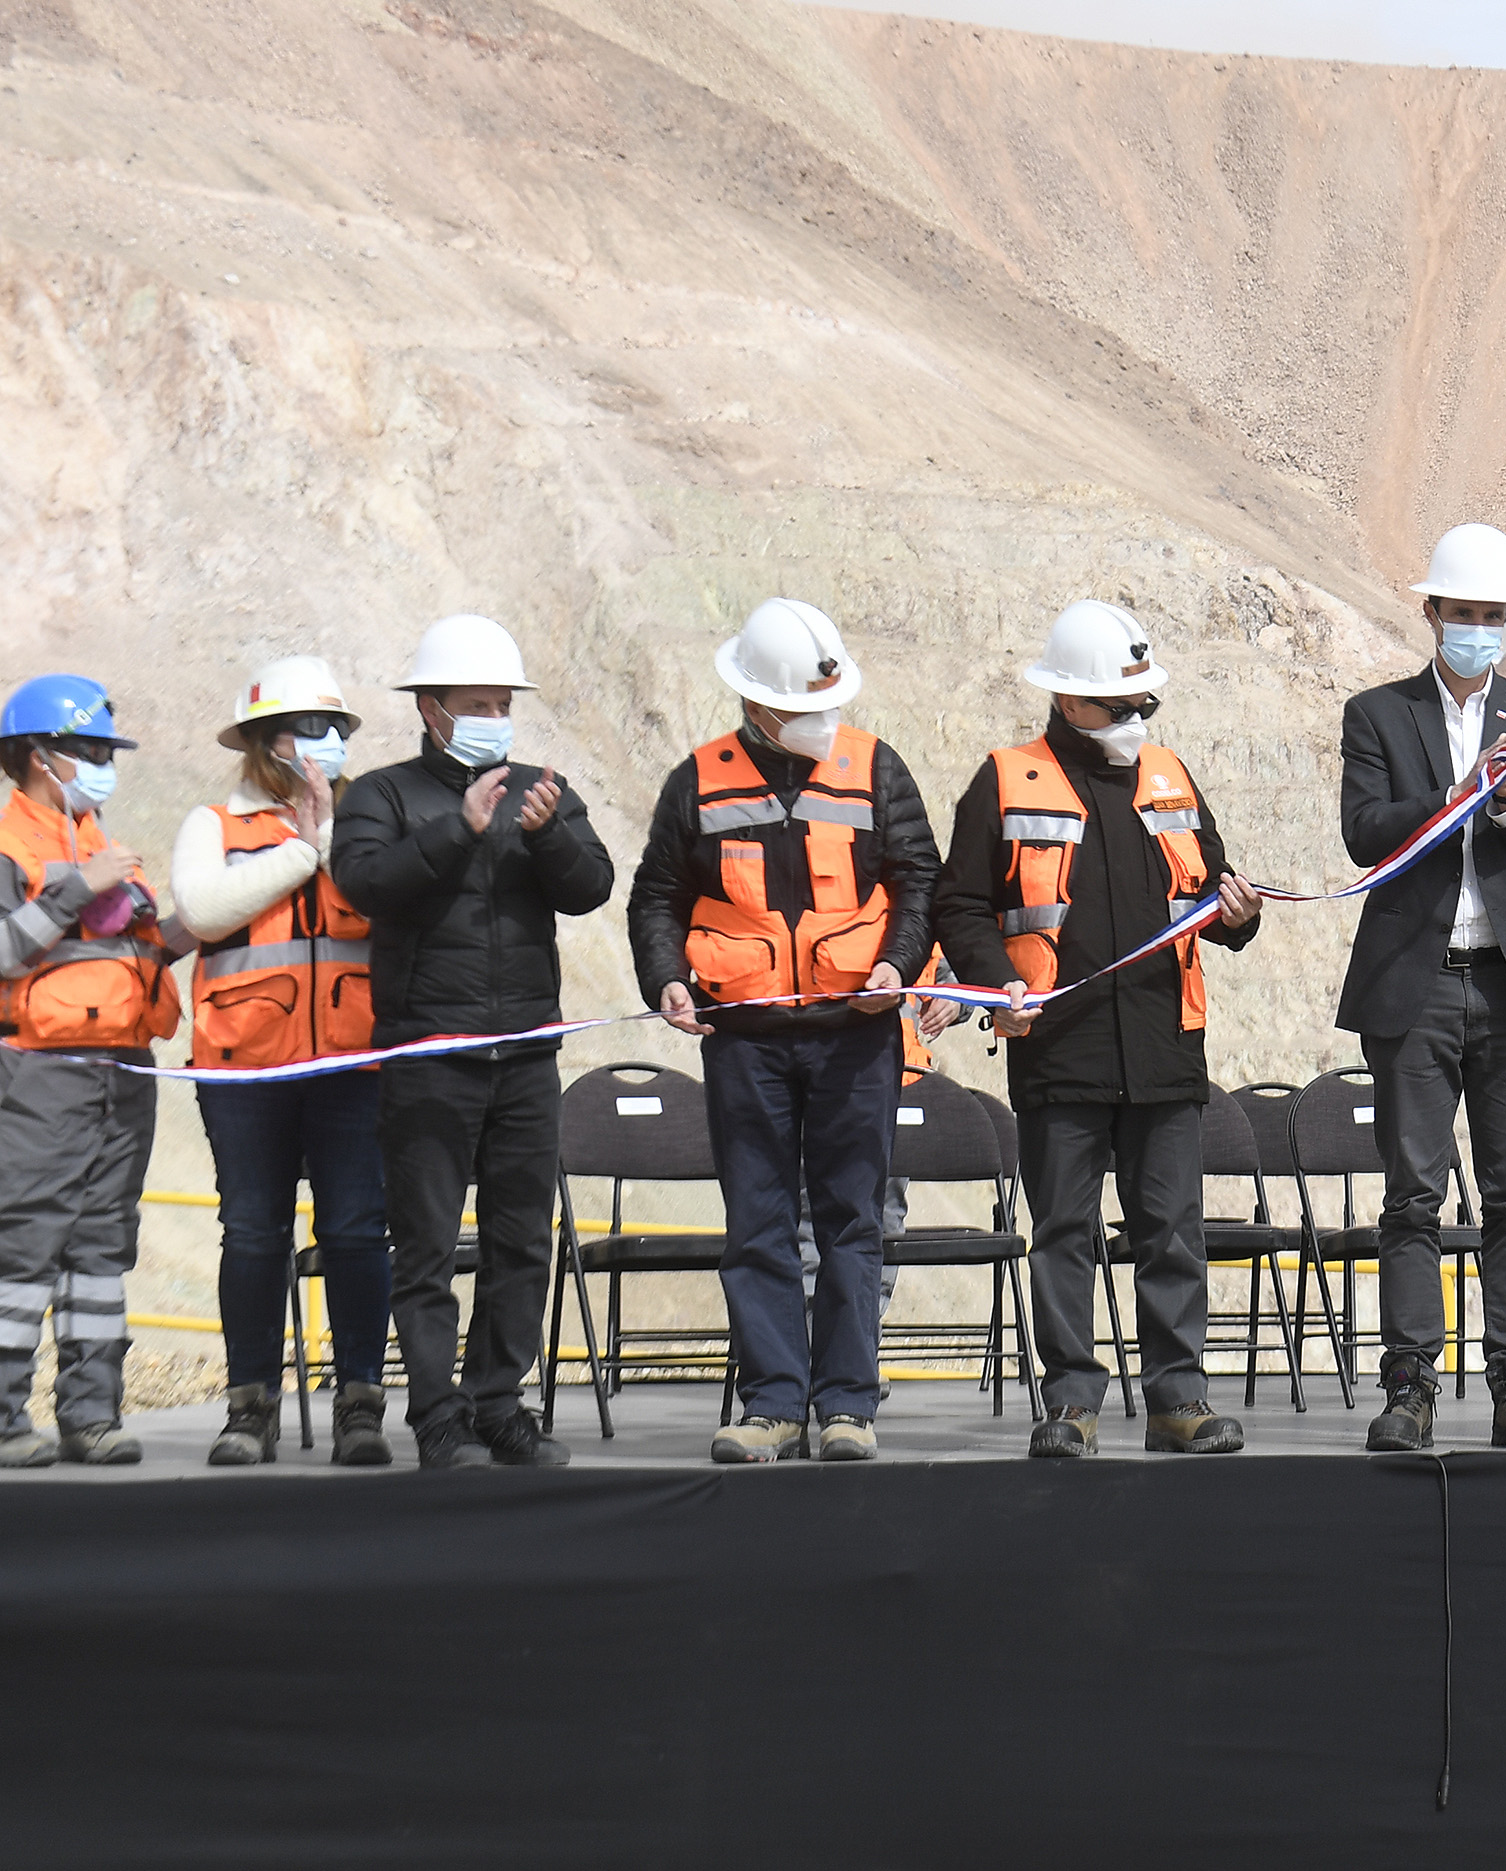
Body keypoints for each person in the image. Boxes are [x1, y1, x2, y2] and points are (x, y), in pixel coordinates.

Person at [935, 599, 1265, 1458]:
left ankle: (1177, 1400)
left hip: (1163, 1049)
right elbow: (960, 903)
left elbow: (1215, 896)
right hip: (1060, 1052)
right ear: (1069, 701)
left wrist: (1237, 914)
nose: (1136, 719)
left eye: (1143, 705)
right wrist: (996, 978)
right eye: (1119, 706)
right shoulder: (1005, 779)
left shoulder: (1171, 777)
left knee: (1170, 1232)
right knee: (1063, 1234)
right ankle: (1072, 1403)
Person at [631, 599, 942, 1464]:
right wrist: (663, 977)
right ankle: (771, 1403)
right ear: (756, 707)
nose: (822, 725)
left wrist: (899, 964)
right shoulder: (697, 778)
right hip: (747, 1038)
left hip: (856, 1028)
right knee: (758, 1220)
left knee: (853, 1220)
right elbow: (656, 893)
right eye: (804, 712)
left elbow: (919, 878)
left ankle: (847, 1404)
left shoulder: (877, 767)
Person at [330, 614, 616, 1470]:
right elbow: (365, 883)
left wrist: (548, 832)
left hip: (526, 1055)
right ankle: (437, 1417)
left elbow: (592, 886)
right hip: (428, 1055)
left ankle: (501, 1404)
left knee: (520, 1239)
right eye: (476, 702)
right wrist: (458, 826)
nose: (494, 714)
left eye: (503, 701)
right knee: (425, 1246)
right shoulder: (382, 795)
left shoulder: (540, 789)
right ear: (431, 707)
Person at [1331, 526, 1506, 1454]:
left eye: (1490, 616)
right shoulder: (1378, 715)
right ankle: (1410, 1386)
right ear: (1430, 613)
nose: (1474, 629)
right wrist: (1458, 792)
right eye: (1460, 613)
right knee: (1412, 1195)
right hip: (1415, 985)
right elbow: (1366, 833)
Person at [174, 657, 393, 1468]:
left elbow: (386, 902)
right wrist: (300, 853)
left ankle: (361, 1406)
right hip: (244, 1067)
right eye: (313, 729)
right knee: (253, 1232)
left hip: (352, 1062)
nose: (329, 743)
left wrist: (329, 831)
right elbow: (201, 908)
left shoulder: (365, 819)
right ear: (267, 741)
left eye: (337, 730)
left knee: (354, 1230)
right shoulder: (214, 824)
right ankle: (251, 1407)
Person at [0, 675, 179, 1467]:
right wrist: (80, 887)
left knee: (102, 1250)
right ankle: (6, 1421)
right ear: (42, 757)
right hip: (42, 1073)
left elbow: (127, 955)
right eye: (94, 750)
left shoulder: (99, 844)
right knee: (24, 1243)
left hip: (124, 1071)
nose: (107, 765)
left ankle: (91, 1415)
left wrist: (192, 929)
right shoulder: (13, 847)